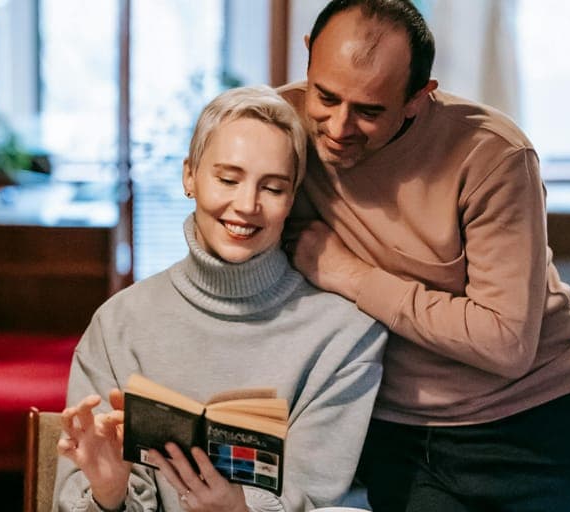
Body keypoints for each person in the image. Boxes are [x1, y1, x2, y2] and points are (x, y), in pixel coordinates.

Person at [278, 1, 570, 511]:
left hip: (534, 421)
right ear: (308, 57)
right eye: (325, 96)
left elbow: (506, 342)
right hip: (400, 430)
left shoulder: (492, 155)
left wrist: (347, 274)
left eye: (370, 110)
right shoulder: (280, 124)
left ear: (420, 97)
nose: (338, 126)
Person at [52, 85, 387, 512]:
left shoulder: (346, 333)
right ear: (189, 175)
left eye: (273, 188)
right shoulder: (119, 323)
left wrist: (241, 509)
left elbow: (318, 496)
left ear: (293, 196)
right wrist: (109, 493)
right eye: (228, 179)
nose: (246, 205)